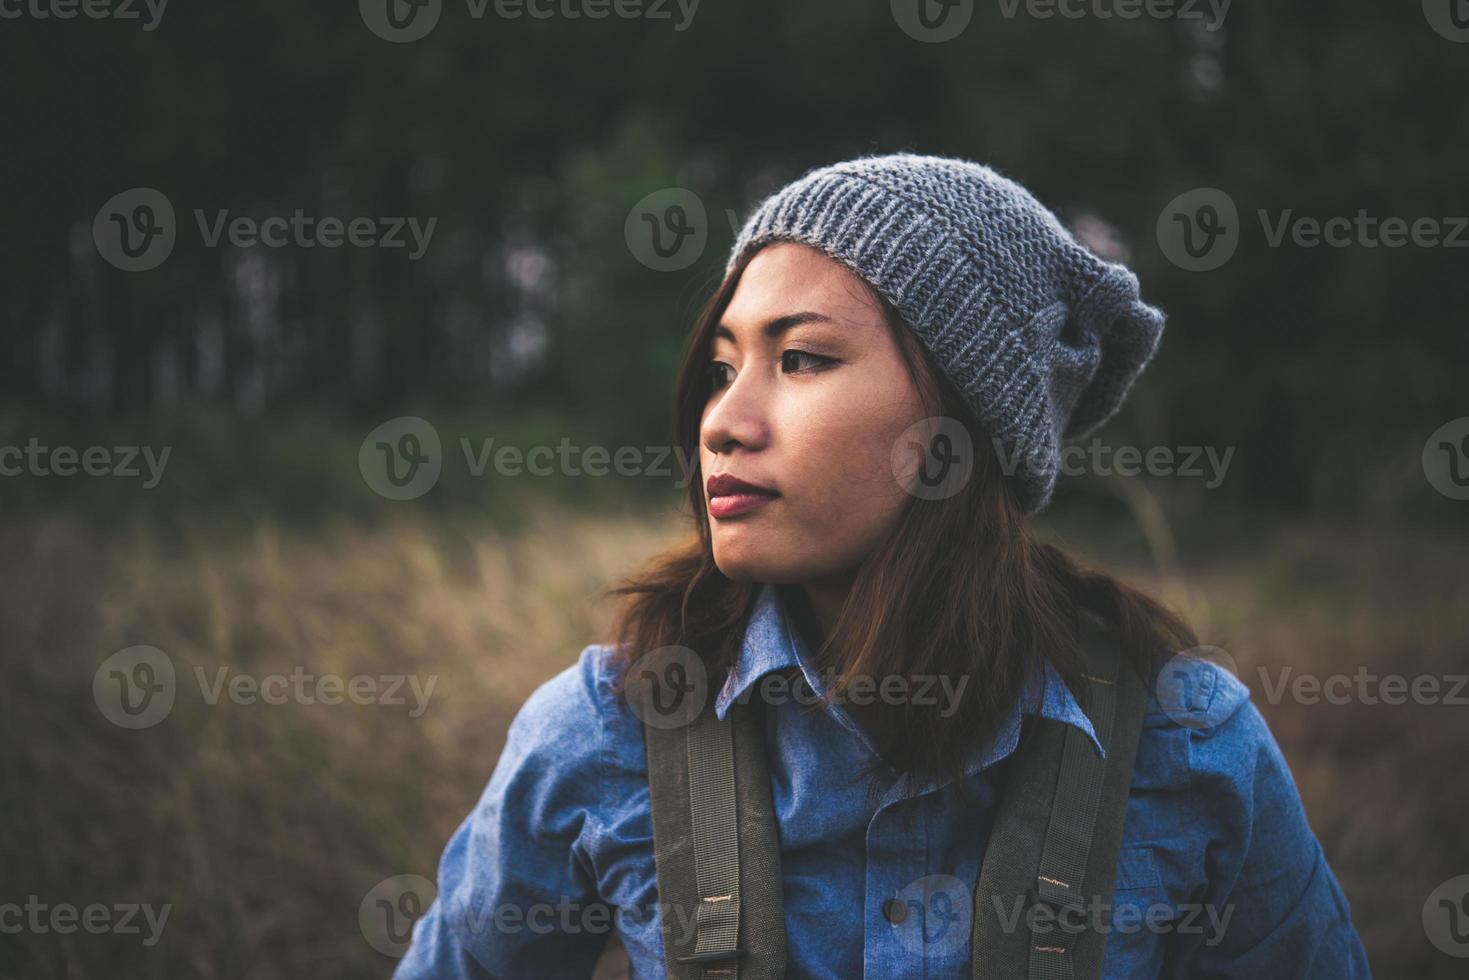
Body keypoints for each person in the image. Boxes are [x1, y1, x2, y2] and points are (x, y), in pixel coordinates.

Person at [393, 154, 1370, 978]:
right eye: (723, 367)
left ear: (959, 426)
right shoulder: (605, 728)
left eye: (804, 359)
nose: (722, 422)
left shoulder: (1187, 739)